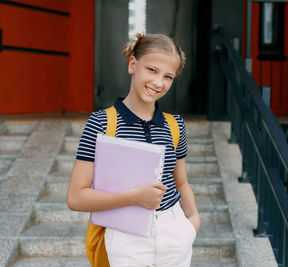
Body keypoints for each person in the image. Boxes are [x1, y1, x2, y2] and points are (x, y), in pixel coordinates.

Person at [67, 33, 200, 267]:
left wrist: (192, 223)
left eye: (168, 76)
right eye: (152, 70)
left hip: (174, 231)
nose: (158, 82)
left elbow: (181, 183)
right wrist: (134, 197)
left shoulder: (175, 124)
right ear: (132, 64)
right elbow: (76, 198)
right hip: (124, 234)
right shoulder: (101, 123)